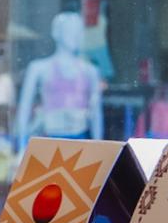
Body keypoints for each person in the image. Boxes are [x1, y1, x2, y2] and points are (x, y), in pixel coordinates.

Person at [13, 11, 104, 142]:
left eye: (78, 31)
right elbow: (25, 108)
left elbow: (96, 113)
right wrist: (22, 145)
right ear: (57, 33)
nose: (75, 36)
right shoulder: (39, 68)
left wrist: (99, 148)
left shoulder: (90, 71)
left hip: (80, 137)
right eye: (70, 30)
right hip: (49, 137)